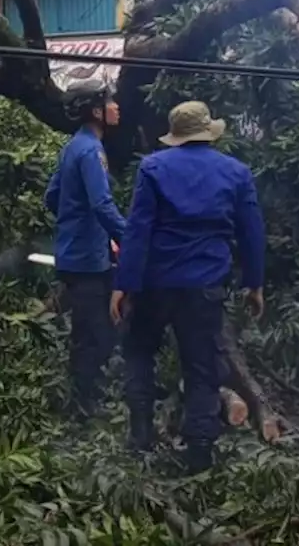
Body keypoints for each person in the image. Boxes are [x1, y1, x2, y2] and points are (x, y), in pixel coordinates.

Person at [110, 100, 265, 472]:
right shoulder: (236, 172)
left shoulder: (153, 168)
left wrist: (123, 284)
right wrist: (254, 284)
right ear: (209, 132)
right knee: (201, 367)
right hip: (204, 285)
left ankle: (141, 436)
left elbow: (138, 230)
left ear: (175, 136)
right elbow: (252, 232)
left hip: (155, 283)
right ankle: (199, 451)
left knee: (140, 354)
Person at [44, 82, 125, 423]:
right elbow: (102, 205)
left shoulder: (73, 146)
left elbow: (52, 196)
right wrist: (129, 237)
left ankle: (82, 401)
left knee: (87, 331)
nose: (116, 105)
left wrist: (75, 226)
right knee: (96, 335)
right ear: (96, 111)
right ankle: (85, 408)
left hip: (75, 253)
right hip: (89, 260)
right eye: (109, 100)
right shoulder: (92, 151)